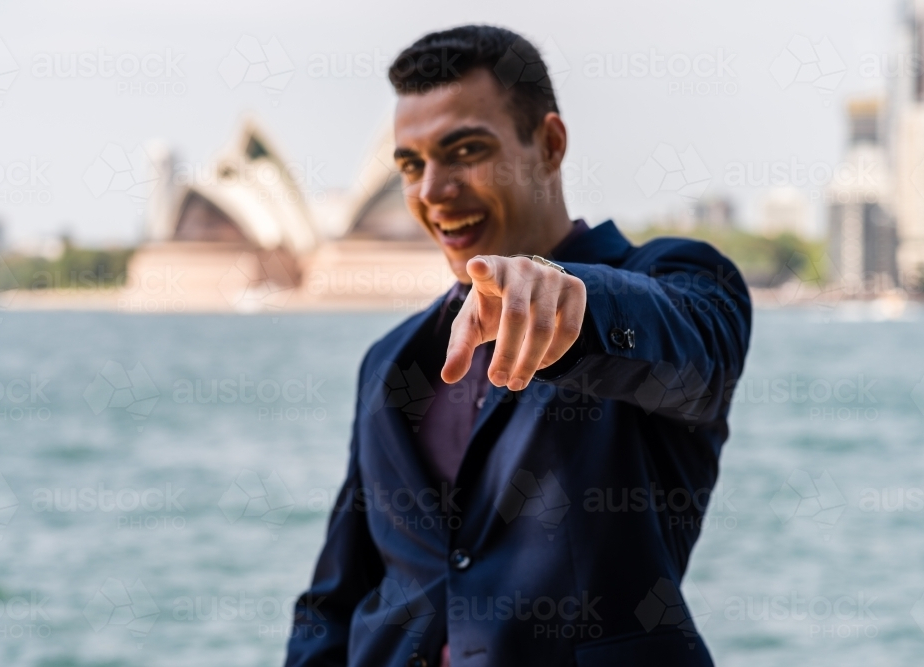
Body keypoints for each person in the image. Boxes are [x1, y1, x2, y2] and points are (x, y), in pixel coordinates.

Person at [286, 25, 751, 667]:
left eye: (466, 150)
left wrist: (570, 297)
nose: (432, 190)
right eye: (412, 165)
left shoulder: (675, 282)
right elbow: (336, 598)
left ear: (550, 145)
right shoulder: (389, 359)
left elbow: (694, 352)